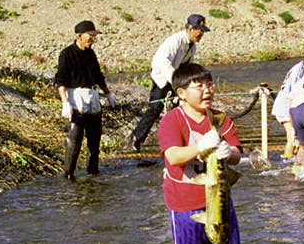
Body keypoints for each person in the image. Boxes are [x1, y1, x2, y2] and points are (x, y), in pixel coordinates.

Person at [158, 62, 242, 244]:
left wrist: (229, 153)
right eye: (199, 86)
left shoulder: (220, 119)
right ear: (181, 93)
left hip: (219, 198)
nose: (207, 91)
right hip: (185, 203)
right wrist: (200, 148)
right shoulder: (172, 120)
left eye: (209, 85)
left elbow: (237, 153)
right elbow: (172, 156)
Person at [130, 14, 210, 152]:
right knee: (155, 108)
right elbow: (162, 61)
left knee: (179, 109)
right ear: (190, 29)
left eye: (203, 31)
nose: (201, 34)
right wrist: (175, 82)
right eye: (199, 30)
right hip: (162, 77)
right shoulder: (175, 41)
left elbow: (186, 66)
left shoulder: (192, 46)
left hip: (176, 79)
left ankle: (178, 141)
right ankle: (136, 138)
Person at [54, 20, 115, 181]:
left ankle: (93, 174)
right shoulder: (67, 54)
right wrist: (65, 102)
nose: (93, 39)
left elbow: (98, 77)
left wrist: (108, 94)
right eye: (91, 36)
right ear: (80, 36)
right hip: (76, 100)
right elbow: (60, 80)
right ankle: (68, 175)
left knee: (94, 143)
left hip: (92, 99)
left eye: (95, 36)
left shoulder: (91, 54)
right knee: (74, 142)